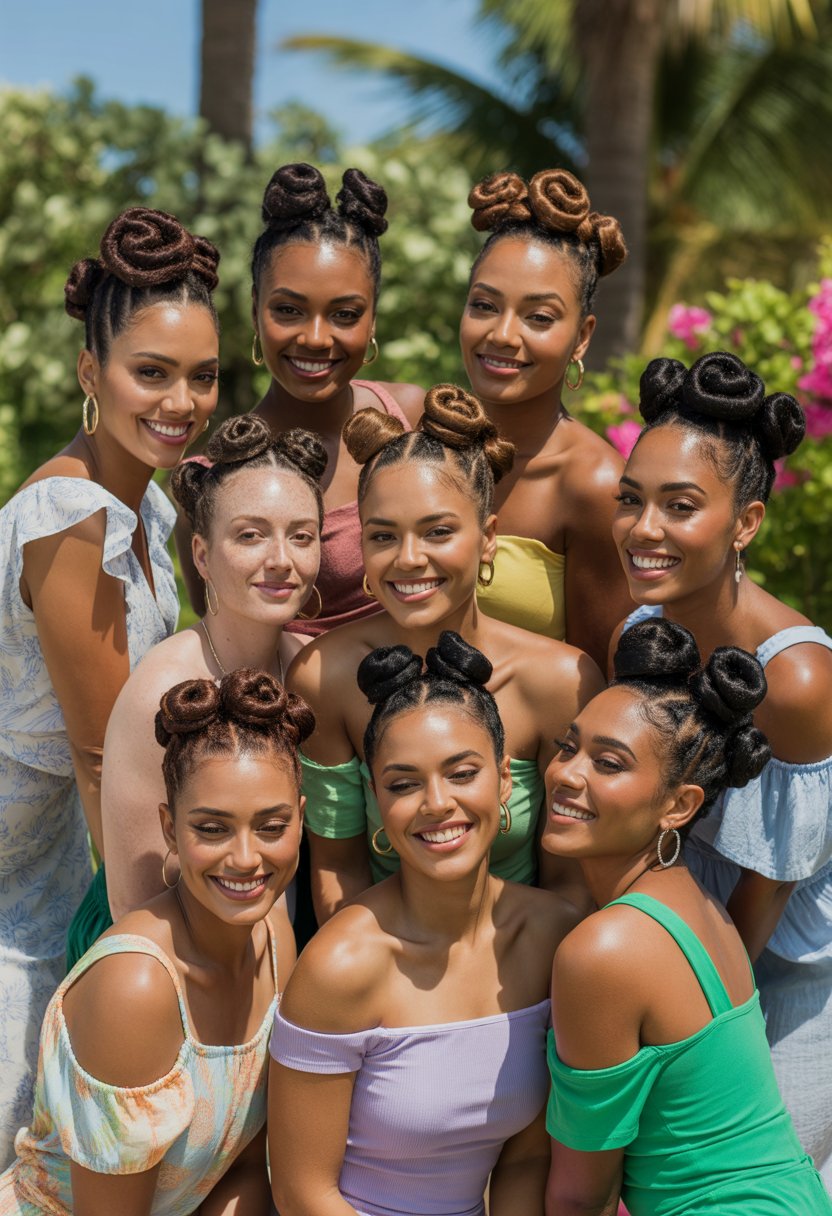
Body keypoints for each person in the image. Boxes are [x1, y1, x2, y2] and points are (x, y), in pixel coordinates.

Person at [0, 207, 220, 1165]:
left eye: (202, 375)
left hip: (60, 868)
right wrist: (163, 949)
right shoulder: (69, 518)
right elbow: (103, 755)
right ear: (93, 374)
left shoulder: (149, 500)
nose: (181, 400)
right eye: (152, 372)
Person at [611, 350, 832, 1182]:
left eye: (680, 506)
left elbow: (761, 901)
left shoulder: (798, 677)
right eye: (631, 500)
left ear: (745, 523)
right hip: (668, 951)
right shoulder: (642, 627)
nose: (644, 528)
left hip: (777, 988)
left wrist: (676, 1038)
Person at [270, 632, 576, 1216]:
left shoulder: (553, 939)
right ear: (378, 803)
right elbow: (302, 1193)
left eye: (462, 773)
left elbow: (527, 1162)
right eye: (404, 784)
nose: (436, 803)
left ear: (506, 780)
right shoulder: (343, 965)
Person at [543, 617, 831, 1216]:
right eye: (568, 747)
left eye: (610, 763)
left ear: (679, 805)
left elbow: (581, 1195)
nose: (567, 774)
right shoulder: (698, 906)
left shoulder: (606, 949)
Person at [288, 384, 604, 923]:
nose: (409, 559)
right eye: (383, 537)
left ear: (488, 539)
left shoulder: (559, 682)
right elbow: (337, 868)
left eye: (437, 531)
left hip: (523, 969)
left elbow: (573, 881)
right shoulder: (325, 677)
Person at [0, 668, 310, 1216]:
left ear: (301, 822)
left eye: (271, 826)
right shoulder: (136, 988)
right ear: (169, 828)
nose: (245, 858)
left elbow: (241, 1166)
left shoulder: (276, 937)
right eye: (212, 828)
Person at [176, 160, 424, 634]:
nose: (314, 337)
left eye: (345, 314)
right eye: (288, 310)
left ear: (372, 320)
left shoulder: (412, 416)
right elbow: (224, 649)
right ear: (254, 309)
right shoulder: (211, 479)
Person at [101, 413, 324, 922]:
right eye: (251, 536)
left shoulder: (312, 669)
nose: (281, 559)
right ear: (200, 555)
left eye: (302, 536)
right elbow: (136, 906)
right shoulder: (160, 690)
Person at [459, 168, 632, 669]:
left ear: (582, 336)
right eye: (484, 305)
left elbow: (598, 682)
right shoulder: (425, 445)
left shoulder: (594, 484)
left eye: (539, 317)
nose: (502, 334)